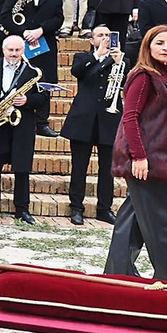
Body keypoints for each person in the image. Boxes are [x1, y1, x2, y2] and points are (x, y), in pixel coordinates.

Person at [104, 25, 167, 281]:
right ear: (148, 47)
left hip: (159, 156)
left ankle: (117, 274)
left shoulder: (165, 75)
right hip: (147, 159)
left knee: (131, 220)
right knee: (162, 224)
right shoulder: (143, 75)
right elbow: (130, 117)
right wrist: (139, 157)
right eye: (160, 43)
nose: (165, 48)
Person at [0, 36, 48, 225]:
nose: (14, 54)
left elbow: (44, 99)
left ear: (23, 50)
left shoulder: (33, 71)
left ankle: (22, 209)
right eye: (11, 50)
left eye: (17, 50)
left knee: (22, 169)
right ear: (4, 50)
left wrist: (27, 101)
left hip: (22, 125)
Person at [64, 27, 124, 227]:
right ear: (92, 40)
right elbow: (79, 73)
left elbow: (124, 82)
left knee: (107, 169)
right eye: (100, 35)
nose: (105, 38)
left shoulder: (121, 59)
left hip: (109, 119)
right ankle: (76, 208)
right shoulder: (83, 57)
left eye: (109, 35)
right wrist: (100, 56)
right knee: (79, 166)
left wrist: (118, 63)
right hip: (84, 119)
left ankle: (104, 209)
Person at [0, 0, 62, 137]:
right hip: (20, 45)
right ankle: (12, 115)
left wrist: (40, 30)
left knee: (45, 82)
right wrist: (24, 32)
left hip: (45, 46)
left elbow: (58, 19)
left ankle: (42, 122)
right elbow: (5, 17)